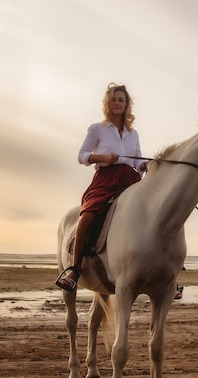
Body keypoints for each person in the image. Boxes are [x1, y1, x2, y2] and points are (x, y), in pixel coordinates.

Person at [56, 83, 147, 291]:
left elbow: (137, 162)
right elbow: (82, 156)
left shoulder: (133, 134)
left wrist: (146, 164)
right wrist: (103, 157)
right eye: (114, 99)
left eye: (121, 100)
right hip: (106, 178)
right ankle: (75, 269)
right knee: (87, 215)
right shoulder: (97, 129)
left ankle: (166, 273)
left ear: (126, 105)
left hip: (130, 179)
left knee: (154, 212)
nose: (117, 103)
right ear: (108, 103)